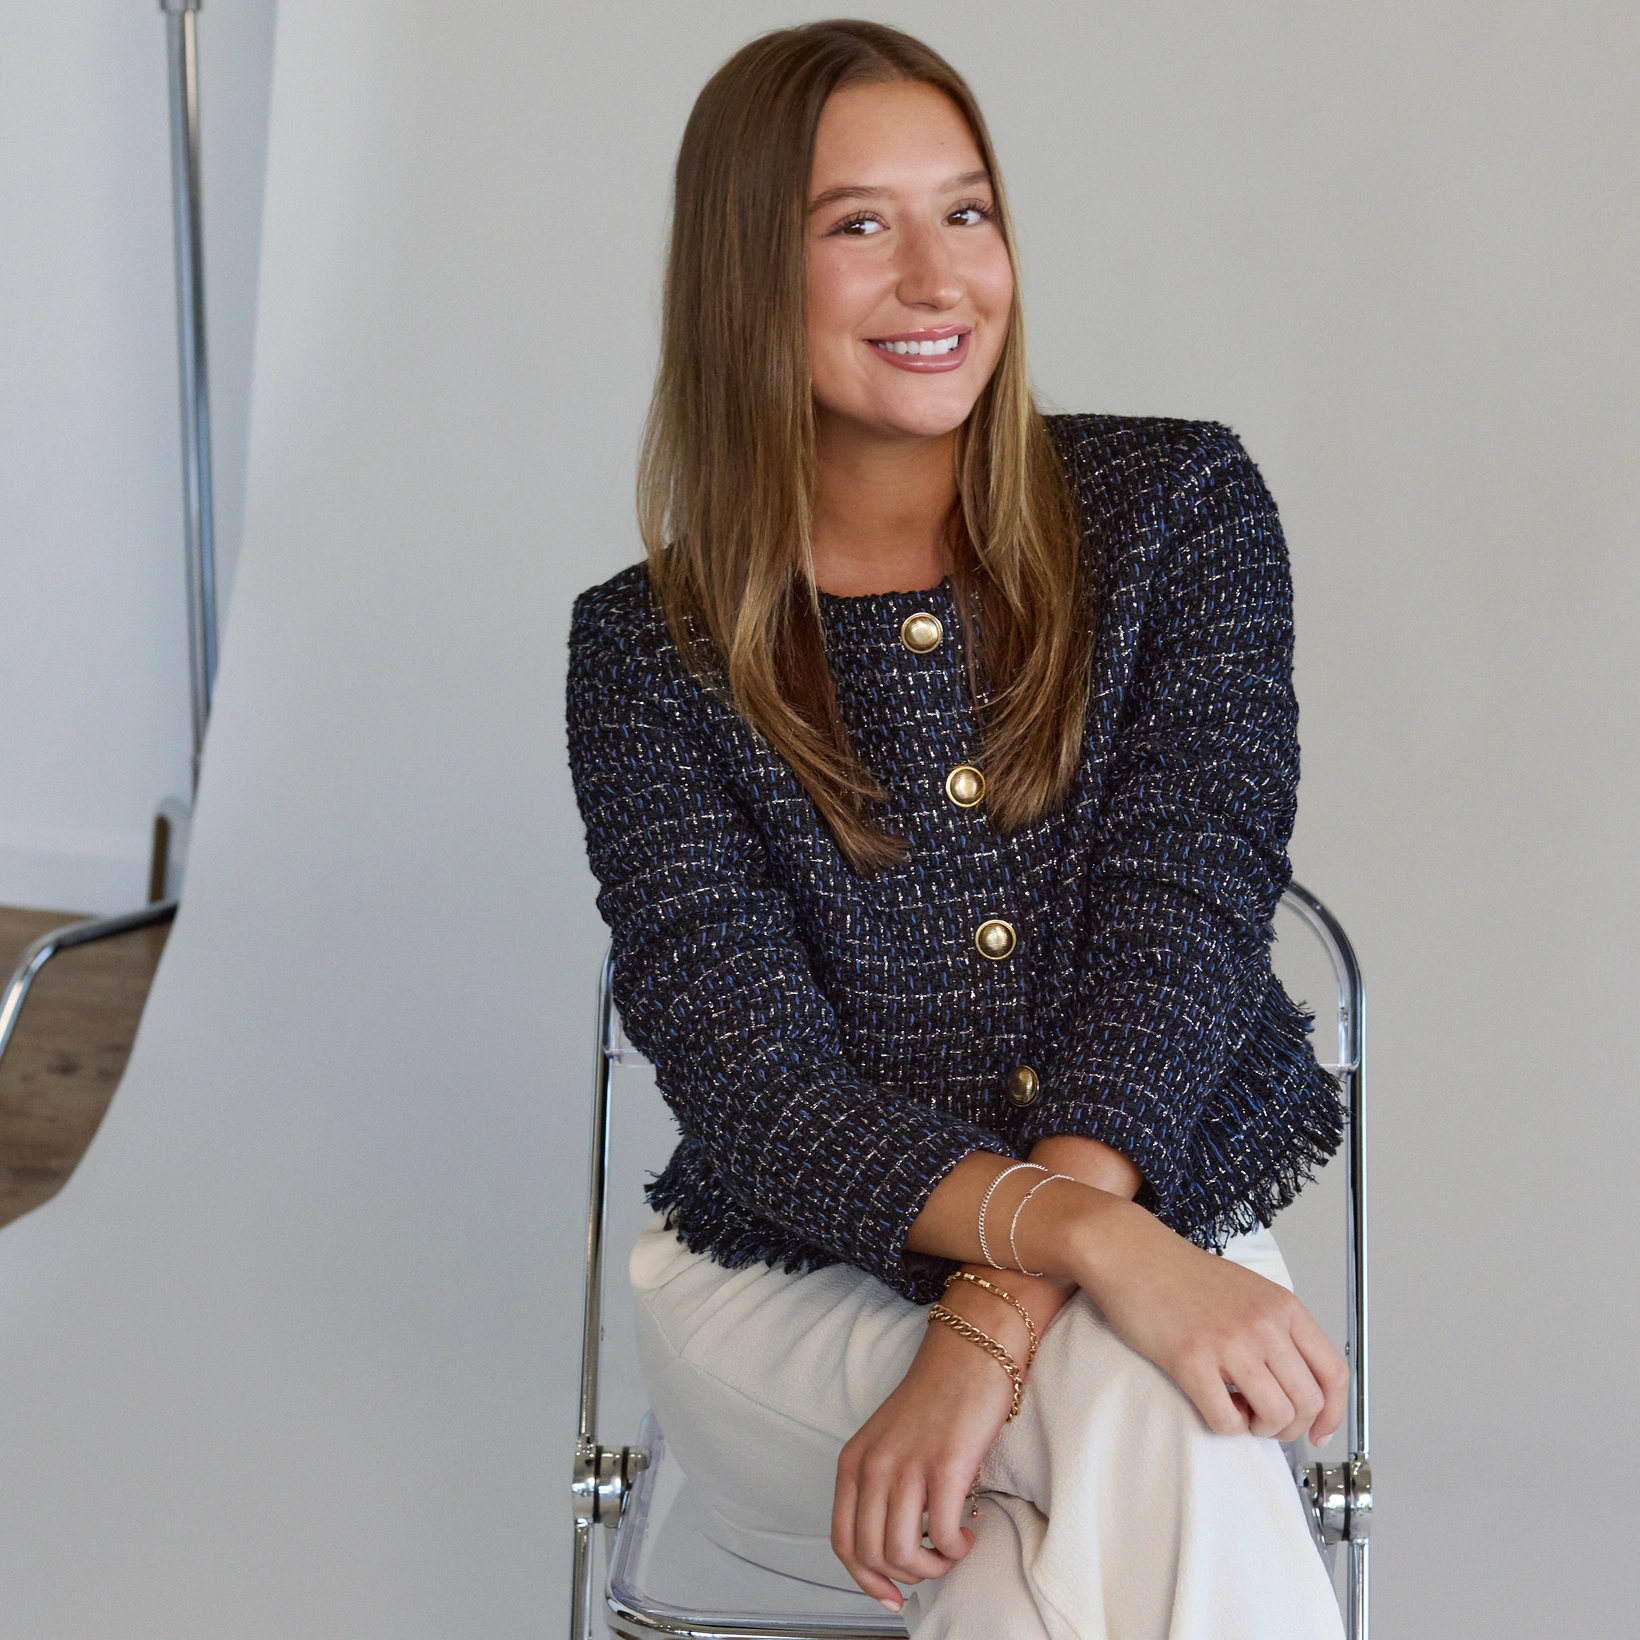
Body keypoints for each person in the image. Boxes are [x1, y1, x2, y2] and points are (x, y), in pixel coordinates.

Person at [567, 20, 1347, 1638]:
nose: (937, 280)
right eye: (857, 224)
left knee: (1026, 1567)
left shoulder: (1174, 513)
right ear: (740, 280)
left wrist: (996, 1320)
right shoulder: (654, 648)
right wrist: (1082, 1258)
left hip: (1157, 1241)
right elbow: (748, 1075)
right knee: (1152, 1402)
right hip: (794, 1303)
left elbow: (1184, 918)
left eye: (968, 212)